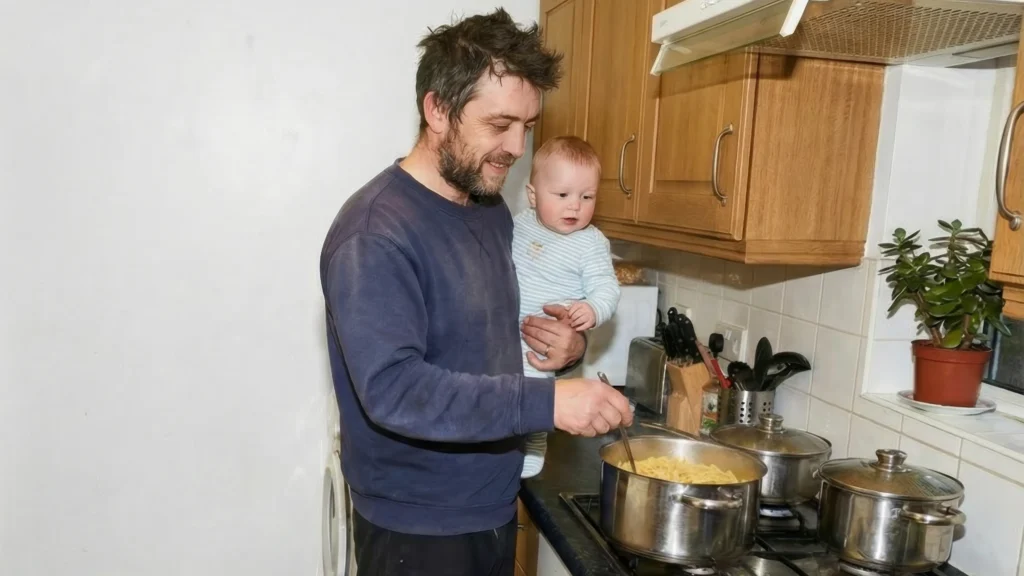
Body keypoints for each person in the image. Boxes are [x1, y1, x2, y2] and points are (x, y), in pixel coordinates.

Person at [318, 8, 634, 576]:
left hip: (490, 499)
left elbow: (495, 339)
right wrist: (550, 403)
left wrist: (566, 350)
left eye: (528, 127)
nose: (517, 147)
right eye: (499, 125)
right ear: (437, 110)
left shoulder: (491, 213)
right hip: (418, 526)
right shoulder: (376, 233)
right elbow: (396, 390)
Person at [514, 136, 621, 479]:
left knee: (535, 389)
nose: (575, 207)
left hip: (541, 341)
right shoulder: (518, 224)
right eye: (562, 195)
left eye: (587, 197)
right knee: (505, 394)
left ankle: (534, 444)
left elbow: (607, 288)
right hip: (505, 331)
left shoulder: (590, 243)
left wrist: (592, 309)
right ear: (533, 195)